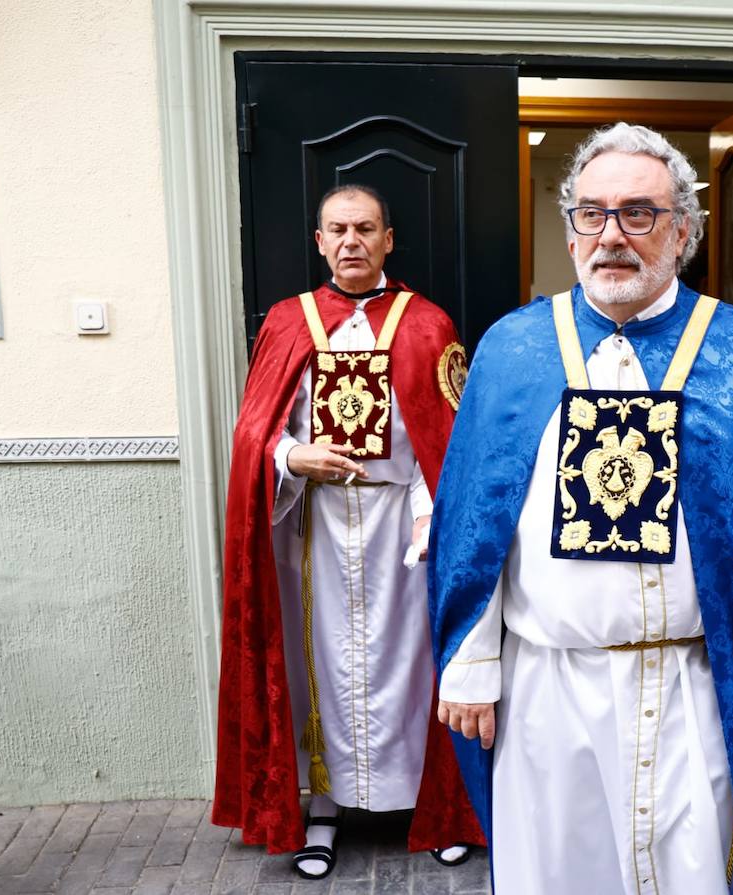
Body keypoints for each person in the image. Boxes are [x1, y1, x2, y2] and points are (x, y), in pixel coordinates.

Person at [429, 123, 733, 894]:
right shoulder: (512, 349)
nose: (611, 235)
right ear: (571, 225)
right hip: (550, 688)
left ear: (683, 229)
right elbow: (474, 526)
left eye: (638, 213)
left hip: (696, 688)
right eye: (592, 212)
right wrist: (470, 661)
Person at [211, 184, 483, 879]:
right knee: (321, 667)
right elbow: (254, 431)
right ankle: (324, 809)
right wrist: (291, 455)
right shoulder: (287, 322)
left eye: (366, 228)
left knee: (413, 665)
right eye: (339, 229)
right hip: (316, 527)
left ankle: (436, 805)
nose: (352, 240)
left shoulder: (427, 324)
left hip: (401, 523)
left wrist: (431, 512)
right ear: (320, 241)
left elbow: (448, 437)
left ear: (389, 240)